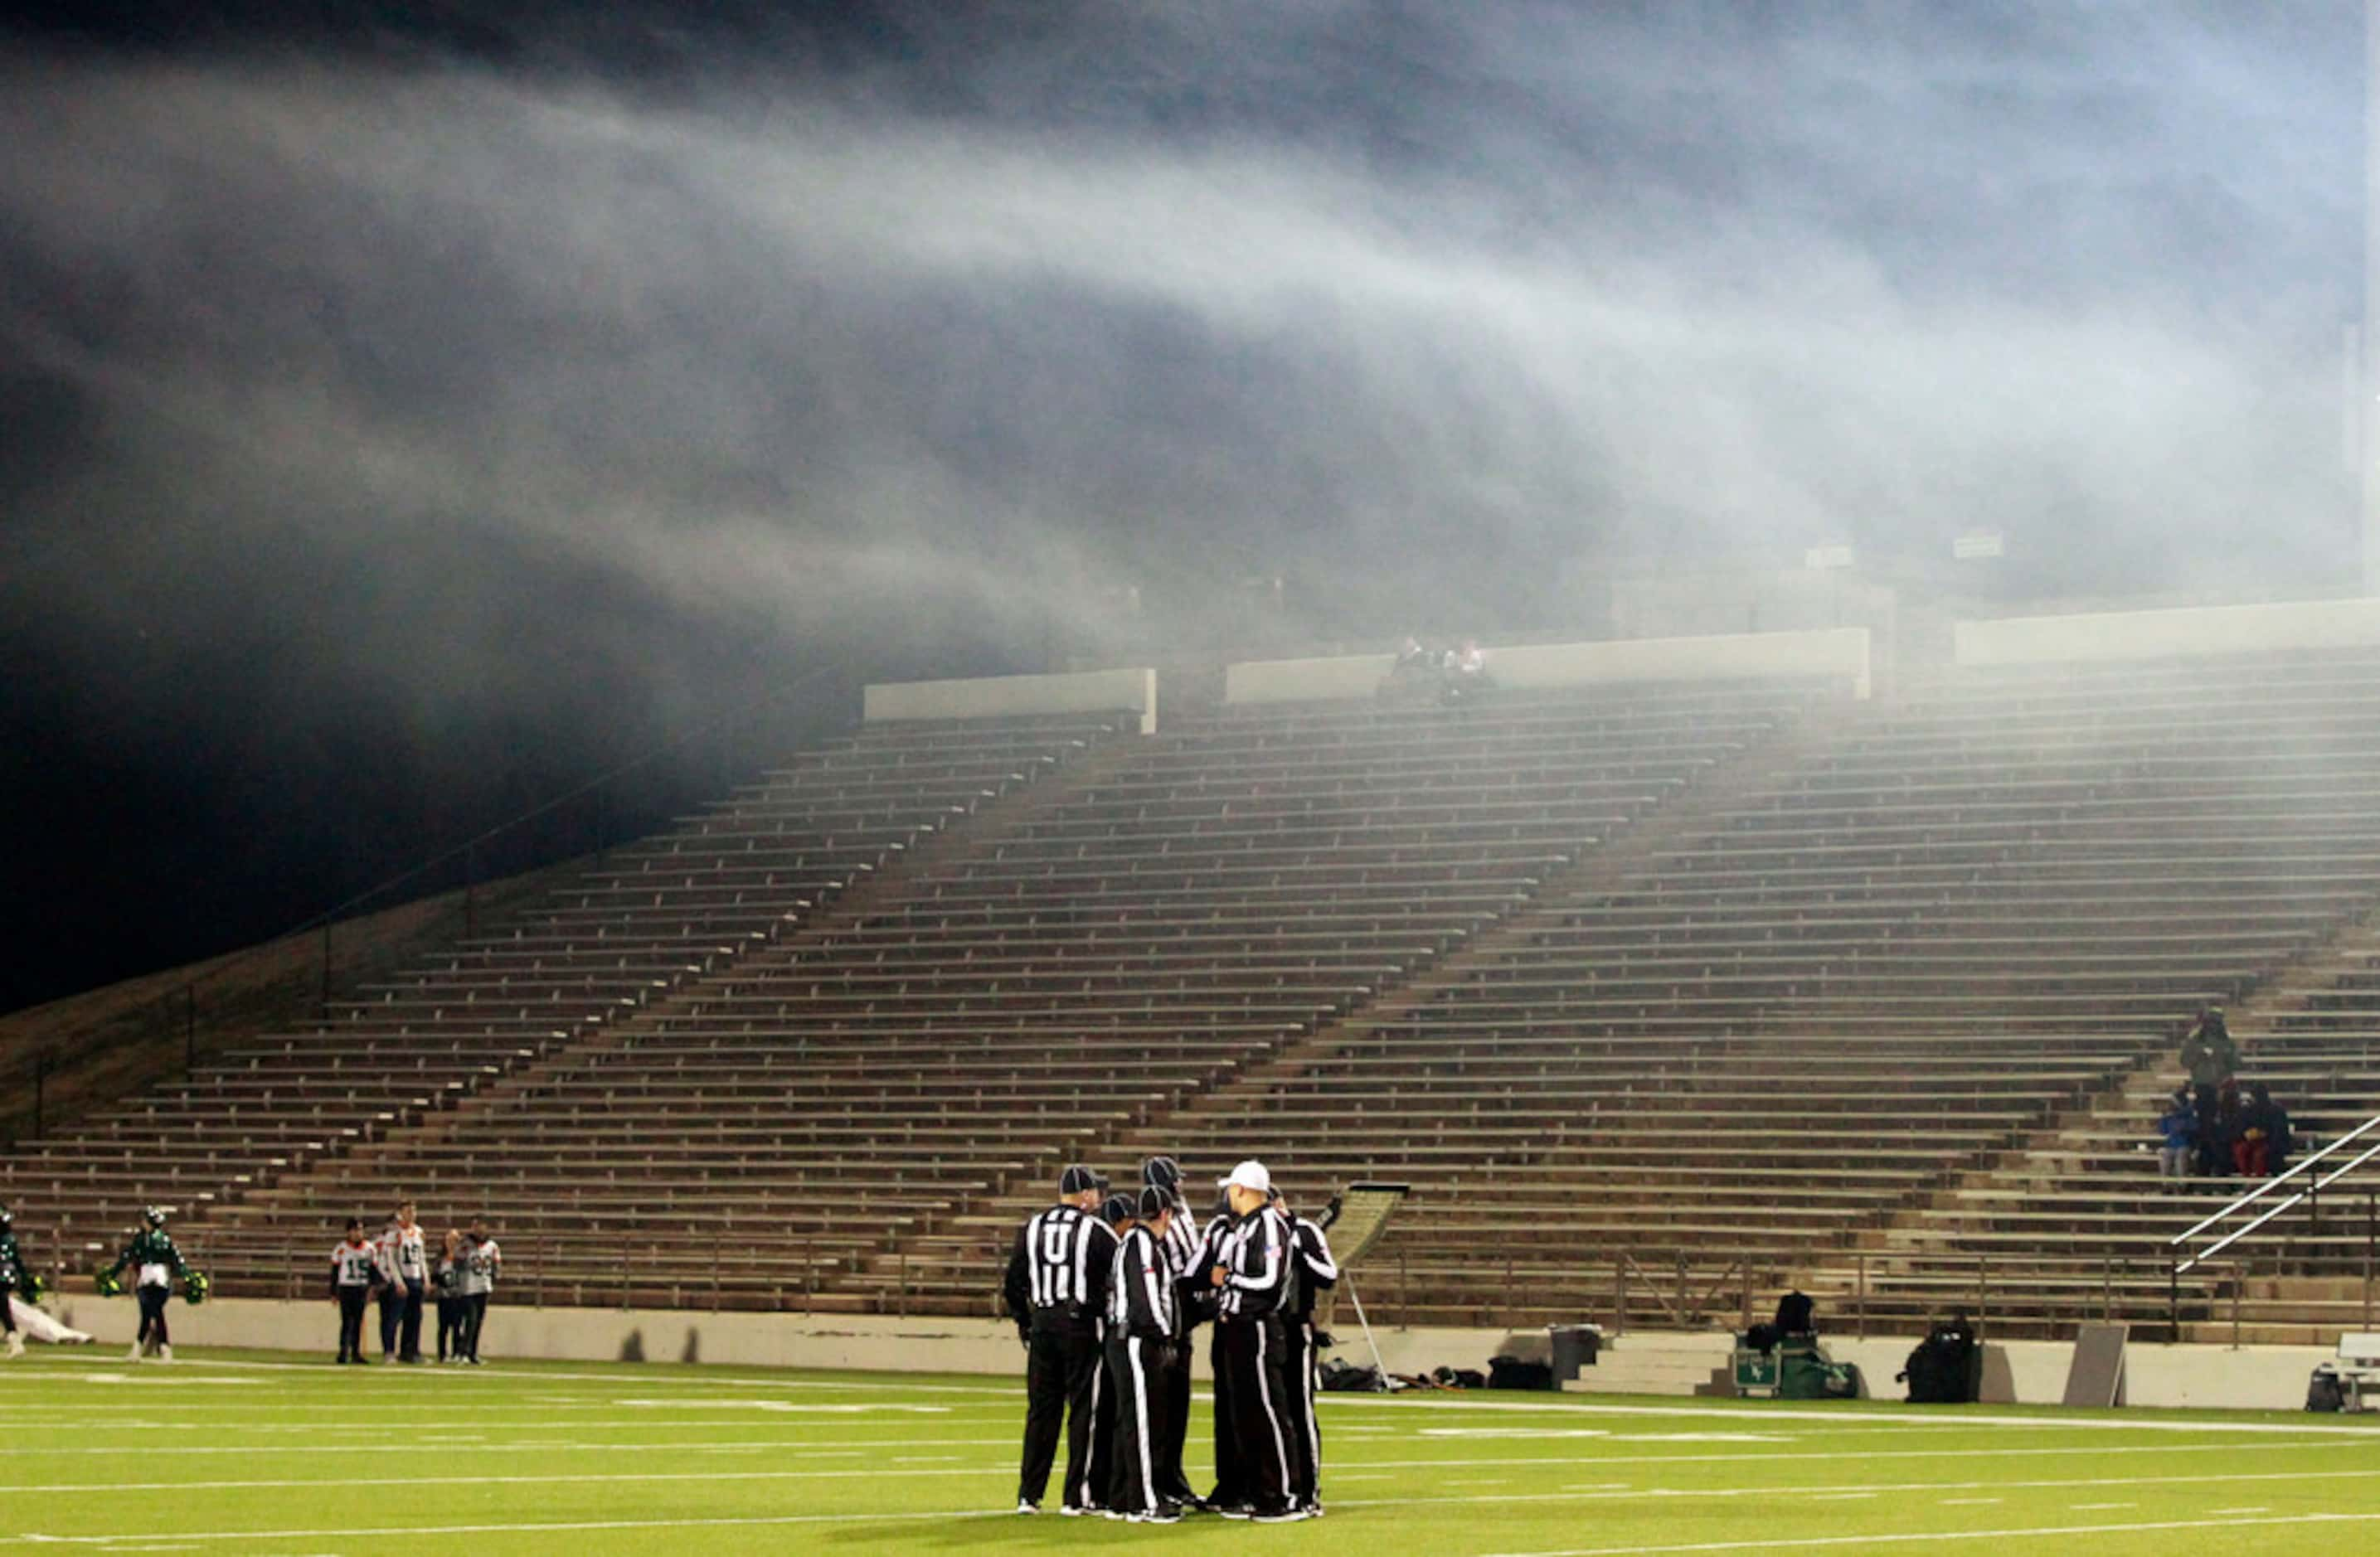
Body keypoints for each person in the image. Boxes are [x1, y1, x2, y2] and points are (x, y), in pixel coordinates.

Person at [1001, 1165, 1115, 1516]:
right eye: (1095, 1191)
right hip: (1081, 1324)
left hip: (1044, 1324)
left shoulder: (1032, 1227)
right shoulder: (1096, 1230)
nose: (1099, 1197)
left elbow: (1012, 1282)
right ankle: (1077, 1496)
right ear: (1084, 1195)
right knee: (1085, 1410)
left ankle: (1029, 1495)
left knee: (1041, 1412)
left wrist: (1026, 1320)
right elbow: (1121, 1272)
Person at [1207, 1160, 1306, 1522]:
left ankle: (1281, 1495)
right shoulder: (1247, 1226)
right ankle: (1256, 1491)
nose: (1228, 1196)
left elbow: (1269, 1280)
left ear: (1242, 1189)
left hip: (1258, 1327)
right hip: (1239, 1327)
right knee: (1246, 1415)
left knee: (1267, 1413)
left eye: (1231, 1188)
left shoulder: (1268, 1224)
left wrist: (1229, 1278)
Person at [1104, 1186, 1183, 1524]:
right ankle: (1145, 1500)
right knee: (1143, 1421)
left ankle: (1123, 1496)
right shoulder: (1141, 1244)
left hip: (1131, 1338)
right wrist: (1163, 1335)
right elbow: (1145, 1297)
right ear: (1165, 1214)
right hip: (1136, 1340)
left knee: (1134, 1419)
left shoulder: (1139, 1243)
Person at [1141, 1157, 1204, 1510]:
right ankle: (1157, 1481)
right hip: (1165, 1318)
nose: (1181, 1186)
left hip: (1180, 1316)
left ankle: (1172, 1478)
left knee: (1176, 1408)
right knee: (1161, 1409)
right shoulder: (1162, 1222)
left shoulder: (1179, 1214)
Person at [1276, 1190, 1339, 1516]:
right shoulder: (1251, 1231)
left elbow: (1330, 1275)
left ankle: (1308, 1488)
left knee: (1299, 1410)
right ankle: (1278, 1486)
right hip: (1264, 1333)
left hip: (1296, 1330)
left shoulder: (1304, 1232)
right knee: (1271, 1414)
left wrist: (1300, 1254)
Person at [107, 1206, 191, 1362]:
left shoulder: (155, 1240)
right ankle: (149, 1348)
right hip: (150, 1278)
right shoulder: (146, 1239)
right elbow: (177, 1260)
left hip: (157, 1278)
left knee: (154, 1313)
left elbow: (175, 1260)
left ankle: (158, 1347)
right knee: (150, 1314)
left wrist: (113, 1273)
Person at [330, 1218, 378, 1365]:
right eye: (355, 1230)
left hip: (361, 1287)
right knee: (346, 1321)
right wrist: (333, 1292)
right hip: (346, 1287)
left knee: (358, 1322)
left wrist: (373, 1288)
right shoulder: (341, 1248)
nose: (358, 1233)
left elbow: (373, 1271)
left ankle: (355, 1353)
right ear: (349, 1232)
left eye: (360, 1230)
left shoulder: (370, 1248)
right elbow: (335, 1271)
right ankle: (343, 1352)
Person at [454, 1220, 500, 1364]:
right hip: (468, 1287)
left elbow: (496, 1264)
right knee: (471, 1320)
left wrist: (494, 1276)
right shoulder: (465, 1244)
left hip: (483, 1286)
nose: (479, 1229)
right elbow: (457, 1263)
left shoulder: (492, 1245)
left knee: (478, 1322)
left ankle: (473, 1352)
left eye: (481, 1225)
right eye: (476, 1226)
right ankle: (464, 1352)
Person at [388, 1201, 429, 1363]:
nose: (411, 1214)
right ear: (400, 1213)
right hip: (404, 1278)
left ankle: (412, 1351)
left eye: (413, 1210)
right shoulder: (395, 1234)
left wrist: (426, 1278)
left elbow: (421, 1258)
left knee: (415, 1318)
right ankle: (391, 1351)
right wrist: (399, 1281)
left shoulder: (419, 1232)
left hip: (416, 1277)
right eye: (408, 1211)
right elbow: (392, 1260)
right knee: (397, 1317)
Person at [2236, 1084, 2293, 1178]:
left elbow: (2279, 1132)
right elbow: (2242, 1127)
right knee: (2240, 1150)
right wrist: (2247, 1134)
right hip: (2252, 1141)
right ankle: (2246, 1177)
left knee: (2259, 1156)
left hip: (2270, 1142)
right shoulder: (2248, 1110)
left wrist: (2264, 1134)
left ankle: (2259, 1181)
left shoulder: (2276, 1110)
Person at [433, 1230, 466, 1363]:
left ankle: (457, 1352)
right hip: (443, 1296)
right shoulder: (440, 1259)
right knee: (443, 1327)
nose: (452, 1244)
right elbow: (434, 1275)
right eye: (449, 1241)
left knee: (457, 1326)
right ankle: (442, 1354)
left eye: (455, 1241)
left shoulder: (462, 1258)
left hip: (458, 1296)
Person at [0, 1205, 25, 1359]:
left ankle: (14, 1340)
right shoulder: (10, 1237)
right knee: (3, 1308)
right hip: (7, 1273)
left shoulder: (6, 1238)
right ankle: (14, 1339)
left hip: (3, 1273)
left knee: (3, 1307)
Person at [2155, 1089, 2197, 1179]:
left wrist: (2184, 1127)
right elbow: (2162, 1131)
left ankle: (2182, 1185)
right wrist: (2164, 1118)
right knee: (2165, 1158)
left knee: (2180, 1159)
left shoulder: (2188, 1115)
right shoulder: (2169, 1116)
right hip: (2171, 1145)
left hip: (2185, 1145)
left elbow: (2193, 1129)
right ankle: (2166, 1184)